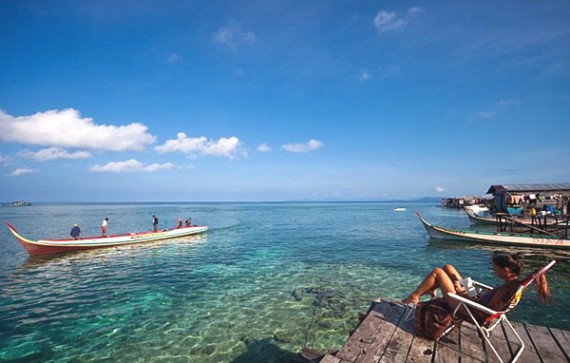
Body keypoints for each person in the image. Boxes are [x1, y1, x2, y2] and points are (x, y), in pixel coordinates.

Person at [403, 253, 552, 318]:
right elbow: (489, 302)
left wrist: (465, 294)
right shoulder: (512, 284)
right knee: (448, 267)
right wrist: (469, 291)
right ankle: (432, 289)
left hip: (467, 307)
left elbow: (484, 312)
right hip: (473, 300)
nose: (493, 270)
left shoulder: (506, 288)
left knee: (438, 272)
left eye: (495, 268)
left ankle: (415, 296)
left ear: (505, 270)